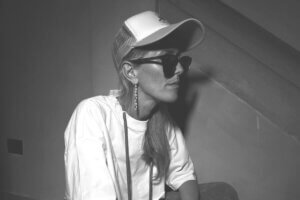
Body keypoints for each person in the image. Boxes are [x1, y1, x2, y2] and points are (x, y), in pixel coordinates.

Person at [64, 10, 205, 200]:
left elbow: (184, 174)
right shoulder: (92, 114)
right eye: (168, 60)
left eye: (181, 60)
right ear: (131, 72)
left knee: (224, 190)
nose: (179, 69)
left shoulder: (163, 121)